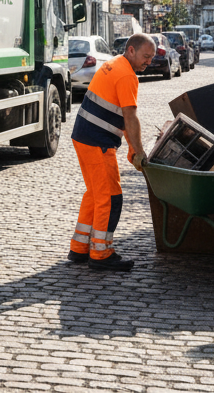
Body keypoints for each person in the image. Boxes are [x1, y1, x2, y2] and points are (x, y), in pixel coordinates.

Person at [67, 32, 155, 272]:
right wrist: (138, 151)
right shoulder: (127, 75)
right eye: (145, 56)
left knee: (95, 194)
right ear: (131, 50)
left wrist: (132, 150)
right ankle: (101, 253)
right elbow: (130, 117)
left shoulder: (113, 64)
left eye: (152, 57)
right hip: (97, 142)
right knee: (110, 198)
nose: (148, 61)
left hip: (83, 137)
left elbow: (120, 117)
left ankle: (79, 247)